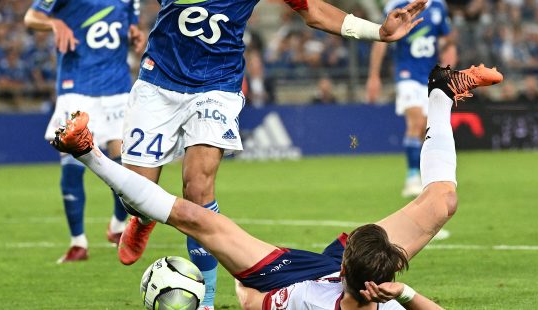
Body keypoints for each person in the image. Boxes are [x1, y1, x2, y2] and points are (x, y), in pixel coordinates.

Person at [88, 0, 427, 308]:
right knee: (137, 194)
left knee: (198, 190)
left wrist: (376, 32)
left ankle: (207, 301)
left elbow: (313, 11)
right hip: (160, 78)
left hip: (218, 83)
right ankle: (141, 215)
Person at [51, 63, 503, 309]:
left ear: (349, 264)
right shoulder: (387, 298)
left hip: (290, 274)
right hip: (355, 273)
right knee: (443, 200)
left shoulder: (304, 302)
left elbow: (251, 298)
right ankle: (442, 91)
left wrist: (242, 289)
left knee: (195, 217)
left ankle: (87, 151)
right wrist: (403, 293)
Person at [23, 0, 145, 264]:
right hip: (77, 85)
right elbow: (32, 16)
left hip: (118, 84)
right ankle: (78, 242)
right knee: (73, 163)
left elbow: (130, 23)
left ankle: (118, 225)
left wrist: (135, 35)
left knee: (125, 162)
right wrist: (55, 23)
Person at [366, 0, 456, 198]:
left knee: (426, 128)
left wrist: (448, 68)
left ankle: (426, 177)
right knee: (415, 122)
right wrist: (374, 76)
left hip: (431, 76)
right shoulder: (397, 5)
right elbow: (381, 40)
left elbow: (447, 40)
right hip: (407, 74)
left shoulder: (439, 5)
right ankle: (411, 177)